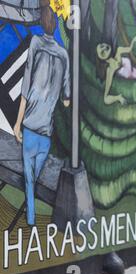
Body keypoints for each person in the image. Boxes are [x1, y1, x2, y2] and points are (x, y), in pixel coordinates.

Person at [13, 2, 71, 226]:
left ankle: (30, 218)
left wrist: (18, 124)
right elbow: (66, 101)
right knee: (33, 178)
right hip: (46, 130)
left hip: (29, 126)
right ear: (55, 25)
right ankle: (30, 215)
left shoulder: (35, 43)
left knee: (29, 179)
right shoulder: (64, 55)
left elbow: (26, 87)